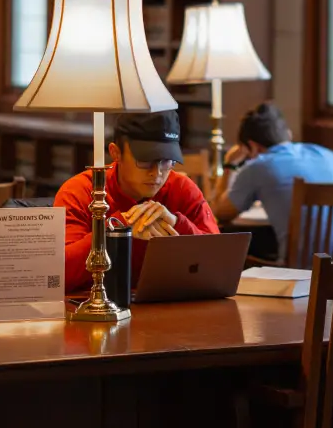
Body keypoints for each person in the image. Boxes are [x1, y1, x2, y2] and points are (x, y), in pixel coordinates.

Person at [55, 109, 218, 292]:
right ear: (115, 153)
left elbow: (220, 265)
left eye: (166, 161)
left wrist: (177, 224)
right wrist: (117, 230)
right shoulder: (80, 191)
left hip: (173, 309)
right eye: (145, 160)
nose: (157, 173)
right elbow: (59, 274)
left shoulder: (182, 188)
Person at [211, 102, 333, 260]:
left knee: (235, 258)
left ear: (253, 147)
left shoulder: (258, 166)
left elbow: (220, 213)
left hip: (305, 270)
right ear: (288, 135)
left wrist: (229, 165)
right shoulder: (327, 155)